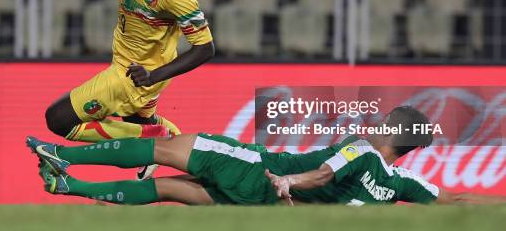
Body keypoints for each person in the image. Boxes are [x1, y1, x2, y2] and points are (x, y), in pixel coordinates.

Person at [26, 106, 506, 205]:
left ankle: (61, 152)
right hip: (266, 206)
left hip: (260, 170)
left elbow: (320, 173)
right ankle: (70, 186)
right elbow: (461, 199)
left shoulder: (360, 148)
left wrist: (290, 181)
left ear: (386, 130)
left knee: (164, 149)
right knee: (171, 191)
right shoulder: (401, 185)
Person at [46, 0, 215, 179]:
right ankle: (157, 135)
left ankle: (159, 138)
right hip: (138, 66)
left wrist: (151, 76)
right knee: (135, 122)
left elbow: (205, 48)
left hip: (135, 73)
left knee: (58, 119)